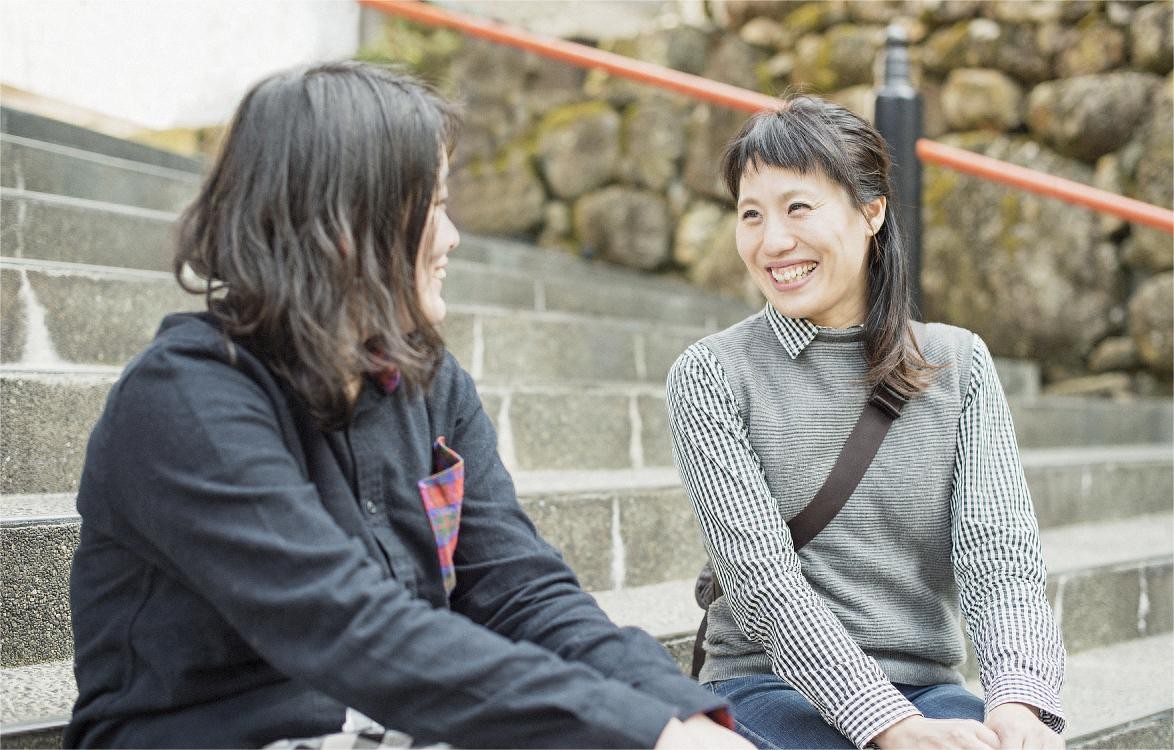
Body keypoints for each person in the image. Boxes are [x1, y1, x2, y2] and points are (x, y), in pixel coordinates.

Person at [65, 61, 752, 750]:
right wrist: (639, 733)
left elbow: (521, 591)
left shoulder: (431, 382)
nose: (452, 237)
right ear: (345, 223)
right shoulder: (184, 399)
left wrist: (675, 712)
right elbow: (350, 628)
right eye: (435, 206)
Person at [665, 96, 1066, 750]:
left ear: (871, 211)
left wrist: (1020, 702)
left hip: (925, 685)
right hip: (767, 686)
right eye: (751, 214)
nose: (772, 242)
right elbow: (763, 585)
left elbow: (1000, 558)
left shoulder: (958, 363)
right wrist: (887, 725)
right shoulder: (713, 373)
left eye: (798, 207)